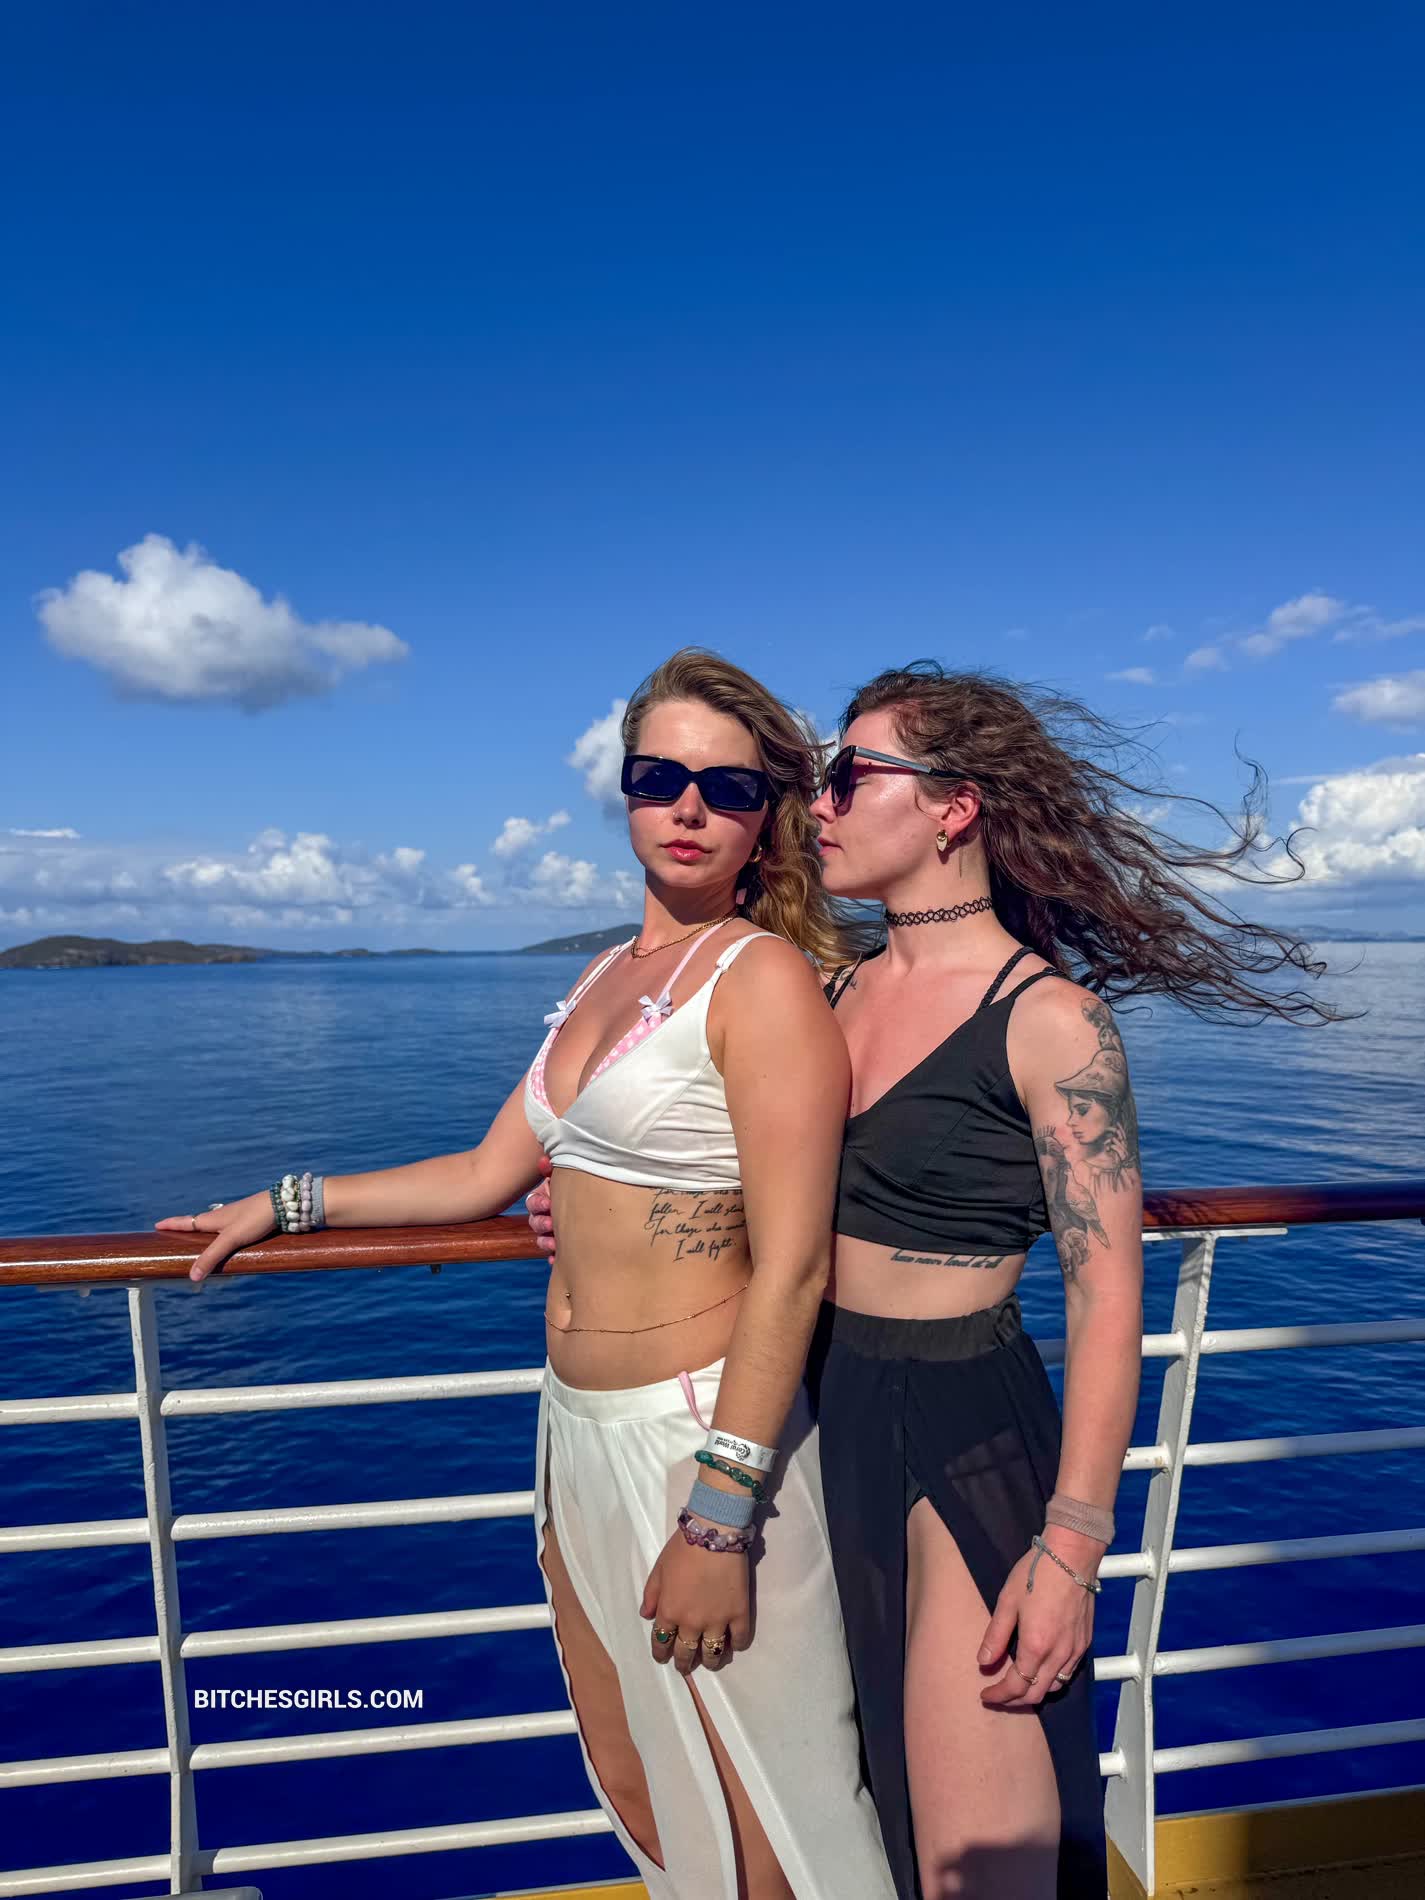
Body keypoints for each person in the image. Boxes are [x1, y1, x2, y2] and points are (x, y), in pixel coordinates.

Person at [530, 661, 1331, 1900]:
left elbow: (1105, 1297)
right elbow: (731, 1176)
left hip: (958, 1421)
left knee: (974, 1852)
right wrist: (587, 1204)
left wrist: (1072, 1548)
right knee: (848, 1802)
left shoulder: (1049, 1020)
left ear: (954, 807)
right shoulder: (826, 988)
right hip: (816, 1409)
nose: (820, 805)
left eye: (851, 775)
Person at [159, 649, 895, 1900]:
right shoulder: (606, 976)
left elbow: (793, 1268)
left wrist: (720, 1513)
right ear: (624, 789)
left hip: (698, 1438)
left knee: (766, 1810)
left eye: (727, 787)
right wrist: (286, 1203)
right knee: (636, 1776)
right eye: (659, 777)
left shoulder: (759, 979)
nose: (688, 808)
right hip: (575, 1435)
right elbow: (484, 1171)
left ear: (766, 814)